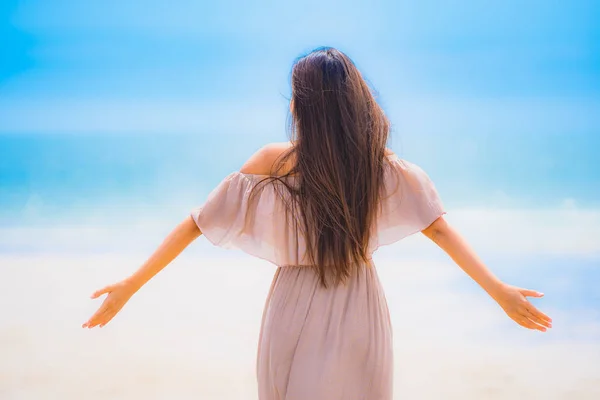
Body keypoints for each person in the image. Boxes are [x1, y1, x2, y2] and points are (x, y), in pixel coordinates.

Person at [82, 47, 552, 399]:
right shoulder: (382, 167)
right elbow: (440, 229)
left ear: (302, 108)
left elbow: (196, 224)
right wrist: (499, 292)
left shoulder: (276, 161)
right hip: (359, 301)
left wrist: (131, 284)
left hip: (294, 303)